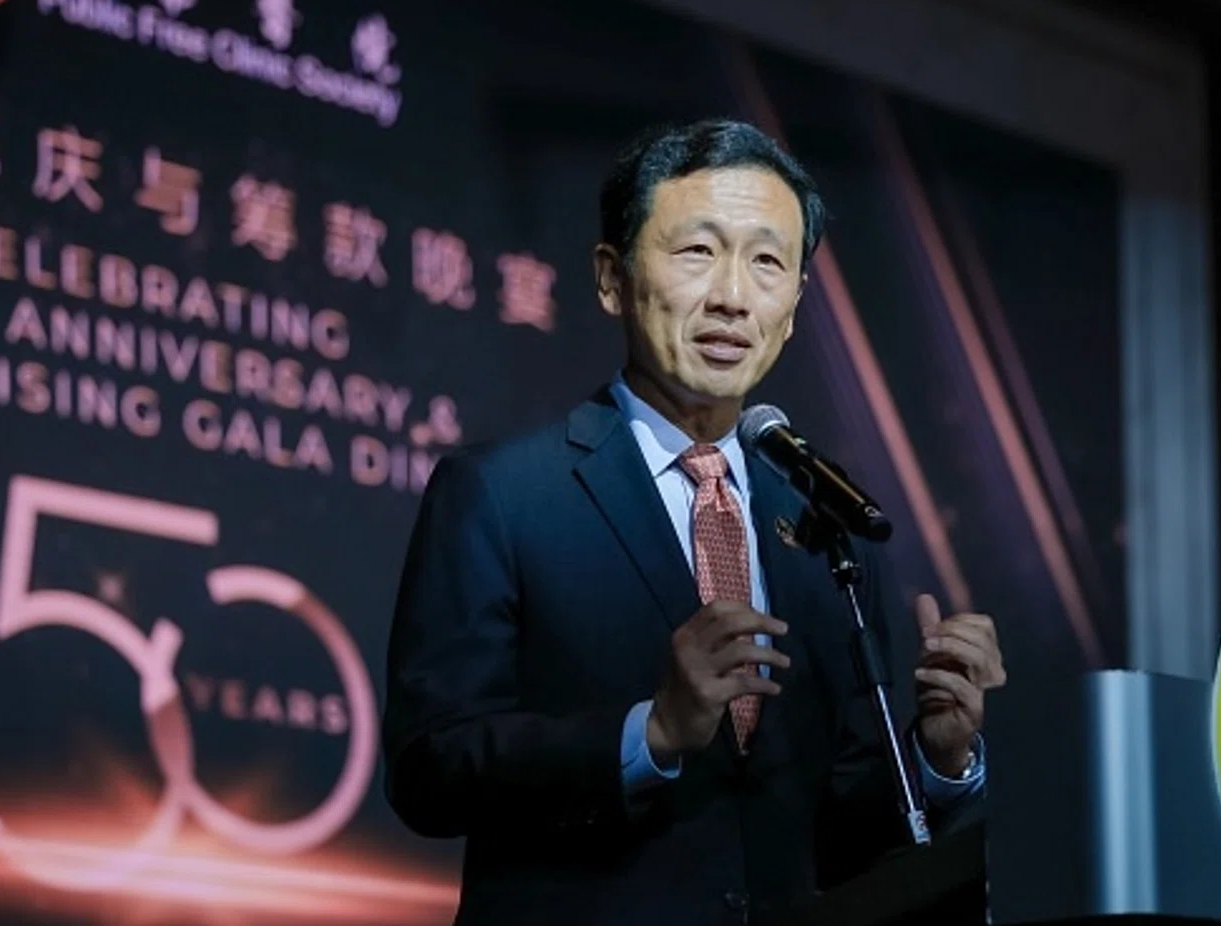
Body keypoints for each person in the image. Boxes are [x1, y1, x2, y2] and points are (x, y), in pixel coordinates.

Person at [382, 118, 1007, 926]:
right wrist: (652, 734)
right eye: (698, 251)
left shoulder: (823, 525)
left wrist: (938, 755)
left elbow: (837, 829)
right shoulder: (503, 494)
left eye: (767, 262)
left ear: (794, 306)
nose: (732, 297)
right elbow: (429, 769)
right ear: (611, 278)